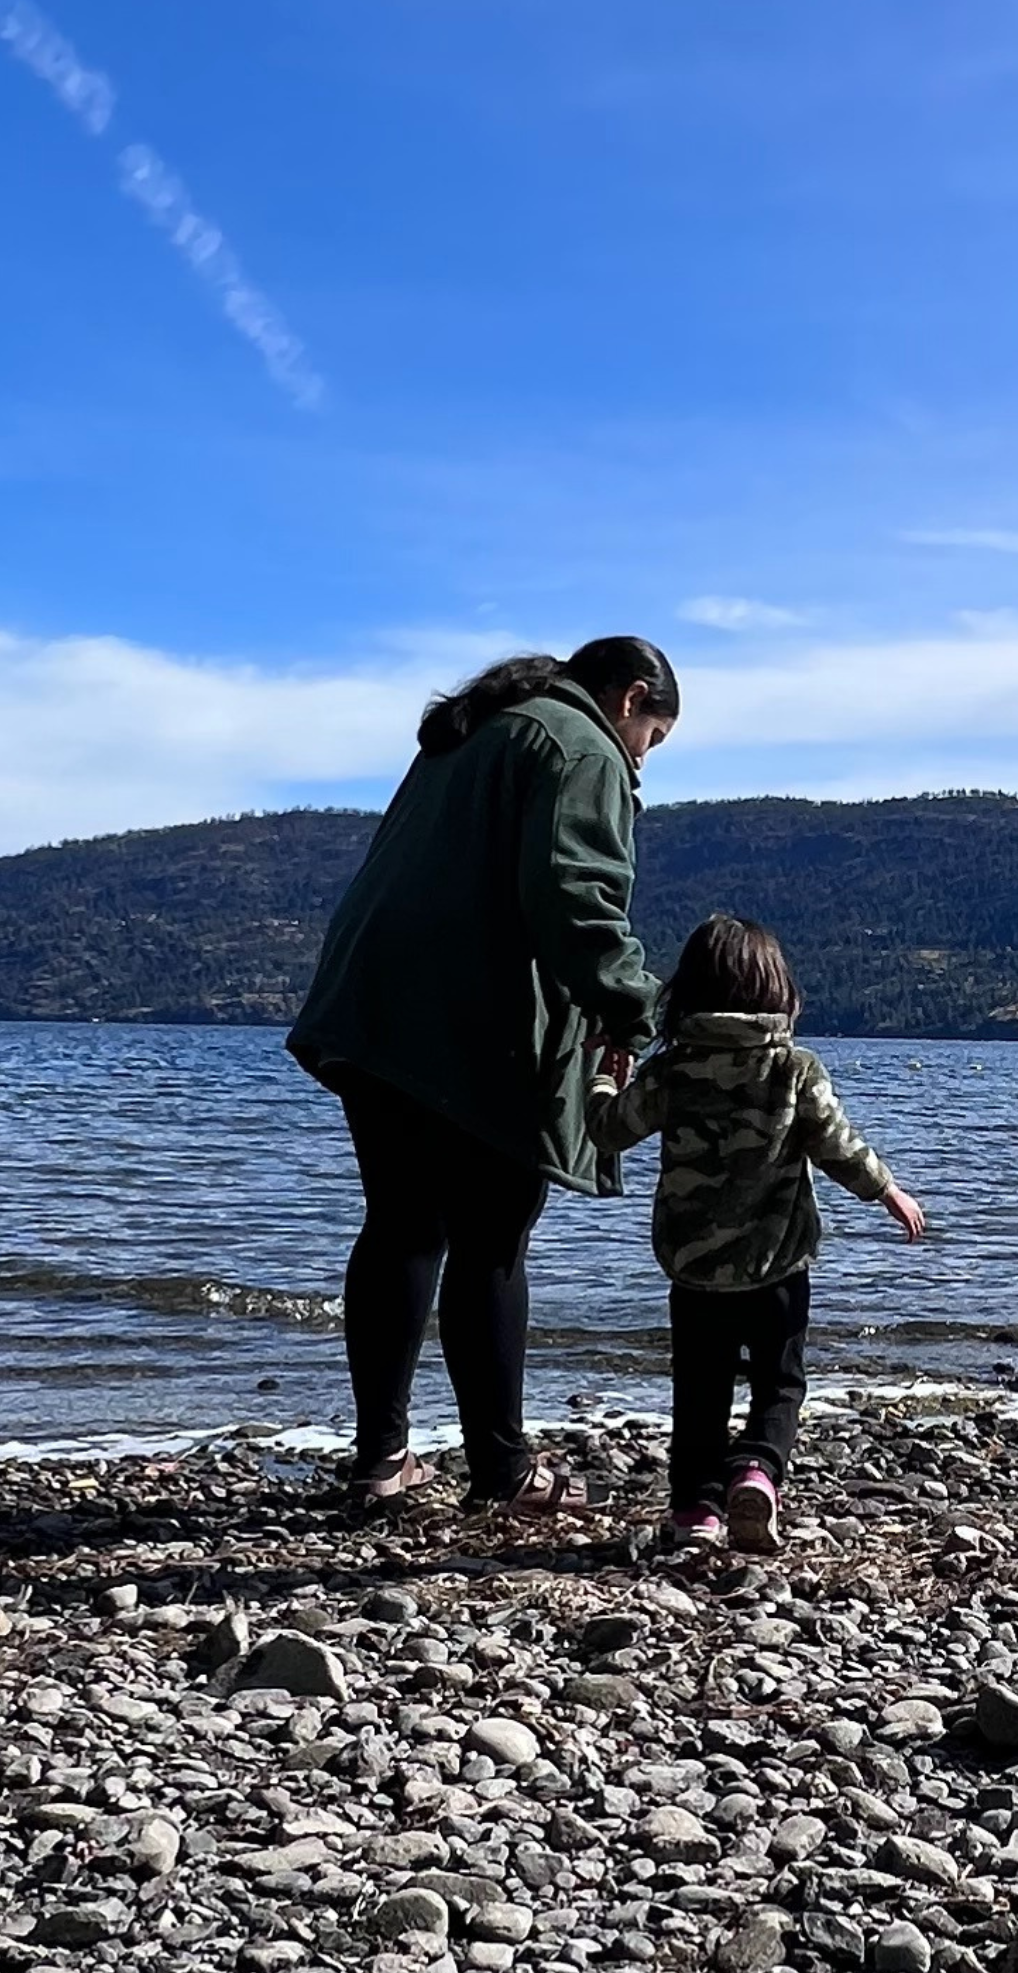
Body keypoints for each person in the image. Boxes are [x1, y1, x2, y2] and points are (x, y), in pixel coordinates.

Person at [288, 637, 679, 1512]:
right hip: (466, 1020)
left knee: (400, 1227)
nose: (642, 763)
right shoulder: (580, 745)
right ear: (632, 699)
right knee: (492, 1238)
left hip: (370, 1004)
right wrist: (630, 1008)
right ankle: (502, 1470)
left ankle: (381, 1460)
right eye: (651, 740)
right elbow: (575, 896)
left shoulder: (475, 732)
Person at [585, 914, 924, 1551]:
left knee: (700, 1395)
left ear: (685, 993)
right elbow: (838, 1145)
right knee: (781, 1382)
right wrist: (887, 1190)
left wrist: (608, 1073)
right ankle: (757, 1469)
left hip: (695, 1271)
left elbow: (608, 1130)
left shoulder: (672, 1070)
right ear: (780, 995)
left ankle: (697, 1514)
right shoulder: (794, 1068)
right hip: (777, 1266)